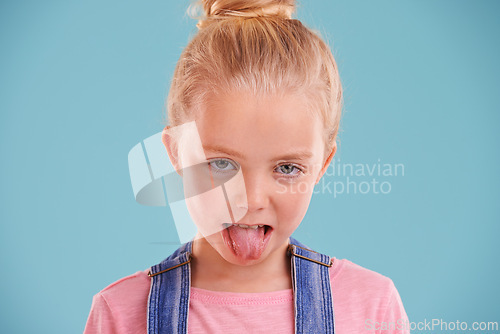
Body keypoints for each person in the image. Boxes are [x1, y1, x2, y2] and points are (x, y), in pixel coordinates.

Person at [84, 0, 409, 333]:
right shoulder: (119, 314)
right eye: (222, 163)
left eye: (287, 168)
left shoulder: (372, 308)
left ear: (322, 165)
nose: (251, 200)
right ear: (176, 154)